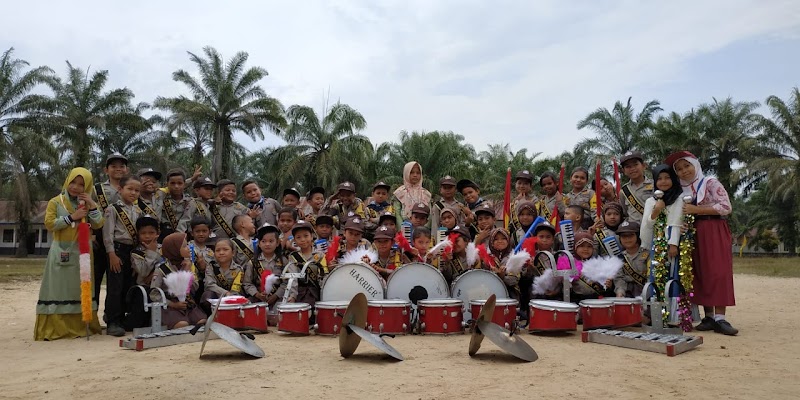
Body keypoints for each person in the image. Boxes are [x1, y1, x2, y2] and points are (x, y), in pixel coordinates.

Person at [668, 151, 737, 335]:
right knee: (699, 271)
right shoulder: (681, 190)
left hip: (713, 228)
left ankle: (721, 318)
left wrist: (696, 209)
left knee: (718, 271)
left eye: (687, 166)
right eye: (679, 169)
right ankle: (708, 316)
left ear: (695, 165)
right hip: (692, 232)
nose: (684, 171)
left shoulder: (710, 183)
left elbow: (725, 206)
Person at [35, 168, 104, 341]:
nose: (76, 187)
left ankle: (83, 324)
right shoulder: (56, 202)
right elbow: (50, 224)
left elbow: (98, 224)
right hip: (61, 251)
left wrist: (92, 204)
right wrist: (72, 217)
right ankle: (55, 329)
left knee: (79, 288)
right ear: (67, 181)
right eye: (73, 182)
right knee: (58, 289)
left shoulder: (87, 203)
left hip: (83, 252)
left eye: (82, 184)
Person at [102, 174, 142, 336]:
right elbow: (107, 234)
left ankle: (123, 318)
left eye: (137, 190)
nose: (133, 193)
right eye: (130, 189)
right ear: (120, 189)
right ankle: (112, 321)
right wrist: (111, 254)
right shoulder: (112, 209)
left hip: (132, 252)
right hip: (116, 251)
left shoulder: (138, 211)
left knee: (128, 285)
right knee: (115, 287)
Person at [92, 153, 128, 316]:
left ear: (126, 170)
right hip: (99, 237)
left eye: (121, 166)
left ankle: (113, 315)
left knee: (117, 282)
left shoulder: (130, 188)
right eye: (114, 166)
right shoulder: (97, 189)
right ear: (106, 170)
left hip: (120, 239)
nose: (118, 169)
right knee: (96, 278)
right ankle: (91, 315)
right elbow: (87, 211)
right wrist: (91, 234)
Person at [151, 233, 207, 329]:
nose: (189, 248)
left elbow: (194, 288)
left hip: (187, 303)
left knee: (202, 322)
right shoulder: (162, 269)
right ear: (174, 249)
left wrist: (187, 272)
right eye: (185, 246)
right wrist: (172, 304)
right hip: (169, 305)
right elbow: (154, 294)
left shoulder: (189, 264)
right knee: (182, 325)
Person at [640, 165, 684, 260]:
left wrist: (673, 244)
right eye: (659, 179)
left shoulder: (679, 198)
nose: (663, 181)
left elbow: (676, 221)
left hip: (677, 245)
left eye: (667, 178)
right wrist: (656, 210)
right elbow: (647, 224)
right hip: (657, 244)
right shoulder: (651, 201)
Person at [285, 220, 327, 306]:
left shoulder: (320, 255)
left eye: (306, 236)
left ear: (312, 236)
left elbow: (324, 275)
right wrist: (293, 296)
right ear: (294, 240)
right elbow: (293, 278)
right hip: (300, 294)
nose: (303, 240)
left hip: (318, 292)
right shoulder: (293, 256)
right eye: (298, 237)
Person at [243, 223, 287, 306]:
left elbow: (286, 282)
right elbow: (247, 283)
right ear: (259, 244)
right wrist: (257, 294)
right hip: (258, 298)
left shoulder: (283, 261)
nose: (267, 244)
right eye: (263, 241)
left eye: (271, 241)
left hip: (279, 298)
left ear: (277, 243)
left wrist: (276, 295)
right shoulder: (253, 262)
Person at [557, 231, 606, 302]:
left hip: (594, 300)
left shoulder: (598, 264)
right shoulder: (569, 263)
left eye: (589, 246)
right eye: (582, 246)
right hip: (576, 300)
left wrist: (607, 285)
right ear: (575, 248)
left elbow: (603, 287)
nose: (586, 249)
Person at [200, 239, 245, 314]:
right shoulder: (211, 266)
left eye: (225, 249)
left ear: (233, 253)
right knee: (207, 295)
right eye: (218, 250)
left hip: (231, 298)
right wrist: (225, 293)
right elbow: (209, 285)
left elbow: (236, 290)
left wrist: (228, 297)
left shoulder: (238, 269)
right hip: (215, 297)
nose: (221, 253)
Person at [613, 221, 647, 298]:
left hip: (646, 296)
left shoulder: (647, 255)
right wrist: (620, 292)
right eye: (624, 236)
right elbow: (619, 278)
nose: (627, 239)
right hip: (627, 296)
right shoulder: (619, 258)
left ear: (637, 236)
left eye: (631, 236)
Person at [620, 152, 653, 224]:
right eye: (628, 167)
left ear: (643, 166)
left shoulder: (655, 185)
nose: (632, 169)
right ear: (624, 171)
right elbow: (625, 213)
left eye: (635, 164)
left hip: (653, 228)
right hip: (634, 232)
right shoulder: (624, 191)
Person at [160, 168, 192, 238]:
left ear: (184, 184)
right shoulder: (160, 198)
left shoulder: (190, 201)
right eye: (172, 183)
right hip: (163, 234)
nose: (176, 186)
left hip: (183, 235)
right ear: (167, 184)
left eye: (180, 183)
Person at [187, 216, 214, 302]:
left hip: (206, 284)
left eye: (204, 231)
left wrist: (204, 268)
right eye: (197, 231)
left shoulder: (211, 252)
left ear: (210, 232)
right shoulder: (186, 248)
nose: (201, 234)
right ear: (192, 233)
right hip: (192, 284)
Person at [130, 215, 161, 287]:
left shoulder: (163, 248)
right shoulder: (135, 253)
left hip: (161, 288)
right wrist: (151, 252)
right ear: (138, 234)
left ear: (158, 233)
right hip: (143, 288)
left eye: (151, 233)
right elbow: (143, 272)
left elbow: (169, 266)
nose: (147, 236)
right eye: (143, 233)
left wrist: (154, 274)